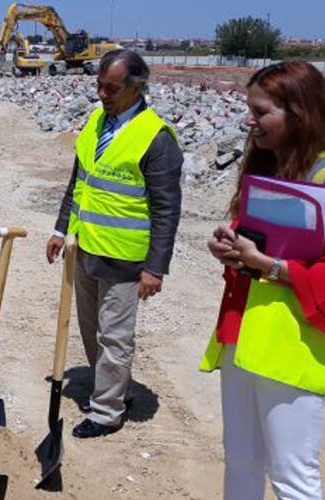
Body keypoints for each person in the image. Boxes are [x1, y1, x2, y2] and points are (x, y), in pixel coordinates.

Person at [203, 61, 325, 500]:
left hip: (294, 348)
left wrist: (270, 266)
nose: (249, 121)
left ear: (300, 112)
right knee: (241, 463)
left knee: (293, 478)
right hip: (242, 339)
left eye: (261, 111)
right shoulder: (270, 168)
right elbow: (259, 242)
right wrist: (232, 246)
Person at [46, 49, 183, 438]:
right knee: (91, 329)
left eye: (111, 88)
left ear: (137, 87)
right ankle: (114, 388)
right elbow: (79, 182)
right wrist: (60, 230)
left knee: (115, 335)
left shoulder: (155, 138)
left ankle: (107, 412)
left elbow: (166, 210)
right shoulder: (95, 121)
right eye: (99, 85)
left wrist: (155, 267)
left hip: (126, 257)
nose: (102, 94)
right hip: (88, 246)